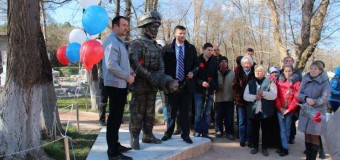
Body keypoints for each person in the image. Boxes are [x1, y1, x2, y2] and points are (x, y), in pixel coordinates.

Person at [128, 10, 178, 150]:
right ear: (145, 27)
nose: (156, 30)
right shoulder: (136, 44)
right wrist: (149, 77)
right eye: (153, 27)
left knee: (150, 111)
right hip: (140, 84)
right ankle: (134, 137)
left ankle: (148, 134)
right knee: (137, 111)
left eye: (157, 27)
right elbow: (134, 62)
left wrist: (160, 78)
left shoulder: (156, 46)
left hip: (153, 84)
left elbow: (161, 64)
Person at [102, 16, 134, 160]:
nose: (126, 28)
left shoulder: (118, 41)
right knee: (114, 119)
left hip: (120, 85)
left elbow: (120, 63)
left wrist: (130, 72)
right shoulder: (111, 41)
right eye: (123, 25)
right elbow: (111, 64)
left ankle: (115, 145)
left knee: (117, 118)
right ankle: (113, 153)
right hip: (115, 85)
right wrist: (127, 77)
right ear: (115, 26)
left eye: (127, 25)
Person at [161, 25, 197, 144]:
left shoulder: (191, 48)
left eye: (184, 33)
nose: (182, 35)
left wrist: (192, 72)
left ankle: (185, 135)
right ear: (175, 34)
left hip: (186, 84)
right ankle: (168, 133)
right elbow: (163, 67)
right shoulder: (167, 49)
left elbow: (197, 65)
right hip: (172, 84)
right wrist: (168, 81)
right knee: (171, 111)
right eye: (180, 33)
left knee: (186, 112)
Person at [298, 61, 330, 160]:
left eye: (315, 69)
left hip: (317, 112)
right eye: (311, 68)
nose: (312, 70)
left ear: (320, 71)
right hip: (305, 111)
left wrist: (314, 102)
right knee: (307, 134)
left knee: (314, 135)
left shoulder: (325, 82)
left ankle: (312, 158)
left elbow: (325, 98)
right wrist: (306, 98)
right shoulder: (305, 79)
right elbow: (299, 94)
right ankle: (308, 157)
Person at [244, 65, 277, 156]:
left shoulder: (270, 83)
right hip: (254, 111)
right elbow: (245, 96)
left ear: (264, 73)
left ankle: (264, 148)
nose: (258, 73)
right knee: (254, 130)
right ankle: (255, 147)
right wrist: (255, 97)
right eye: (256, 71)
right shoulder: (250, 83)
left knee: (266, 130)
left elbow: (274, 95)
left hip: (266, 111)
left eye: (260, 71)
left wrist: (264, 94)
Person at [193, 43, 218, 141]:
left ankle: (204, 132)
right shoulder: (197, 60)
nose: (210, 52)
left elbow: (215, 76)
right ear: (203, 50)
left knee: (207, 113)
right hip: (199, 90)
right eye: (208, 50)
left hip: (209, 91)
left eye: (212, 50)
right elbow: (193, 76)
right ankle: (197, 131)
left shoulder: (214, 62)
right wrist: (201, 82)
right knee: (198, 112)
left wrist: (214, 86)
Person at [275, 65, 301, 156]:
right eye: (286, 71)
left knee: (287, 128)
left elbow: (296, 98)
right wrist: (280, 108)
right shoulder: (279, 82)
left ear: (292, 71)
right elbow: (277, 96)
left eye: (289, 71)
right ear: (283, 71)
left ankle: (284, 146)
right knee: (282, 129)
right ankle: (284, 147)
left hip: (289, 110)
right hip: (280, 109)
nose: (287, 73)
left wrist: (289, 109)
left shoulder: (296, 83)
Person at [232, 56, 255, 148]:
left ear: (251, 64)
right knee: (241, 121)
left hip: (251, 101)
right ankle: (242, 139)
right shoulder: (238, 73)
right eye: (245, 63)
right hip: (240, 101)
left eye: (248, 63)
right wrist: (240, 93)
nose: (246, 65)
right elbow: (234, 86)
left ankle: (250, 140)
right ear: (242, 64)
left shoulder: (254, 74)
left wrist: (250, 95)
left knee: (250, 121)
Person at [280, 56, 302, 144]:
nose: (288, 62)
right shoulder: (281, 72)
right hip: (282, 102)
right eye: (286, 61)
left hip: (293, 101)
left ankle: (291, 137)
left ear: (293, 62)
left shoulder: (297, 73)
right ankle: (284, 139)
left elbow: (294, 81)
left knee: (292, 120)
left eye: (290, 61)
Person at [214, 56, 235, 140]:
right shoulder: (215, 72)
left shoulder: (232, 73)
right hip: (218, 98)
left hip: (229, 98)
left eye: (225, 62)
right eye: (222, 61)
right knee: (218, 116)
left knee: (229, 117)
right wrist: (216, 87)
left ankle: (229, 132)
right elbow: (212, 83)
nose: (223, 63)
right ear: (219, 63)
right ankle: (219, 130)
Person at [98, 60, 108, 126]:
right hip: (103, 81)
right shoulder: (101, 57)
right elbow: (101, 69)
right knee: (103, 101)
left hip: (113, 81)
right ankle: (102, 119)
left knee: (114, 101)